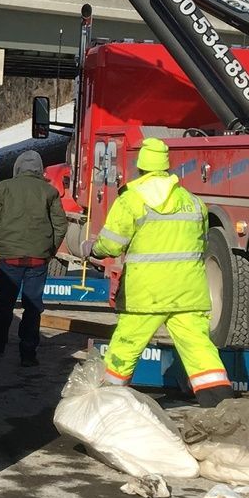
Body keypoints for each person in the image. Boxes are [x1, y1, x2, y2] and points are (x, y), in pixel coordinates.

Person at [91, 136, 229, 404]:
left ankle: (106, 402)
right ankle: (222, 405)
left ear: (141, 167)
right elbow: (202, 243)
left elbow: (110, 245)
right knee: (200, 350)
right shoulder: (192, 201)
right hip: (188, 293)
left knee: (125, 347)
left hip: (146, 295)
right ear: (166, 167)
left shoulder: (130, 200)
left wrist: (92, 248)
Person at [0, 150, 68, 367]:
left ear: (17, 168)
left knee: (4, 303)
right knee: (33, 305)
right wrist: (49, 250)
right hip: (38, 258)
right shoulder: (50, 191)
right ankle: (28, 354)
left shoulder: (3, 188)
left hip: (10, 257)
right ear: (40, 170)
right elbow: (61, 225)